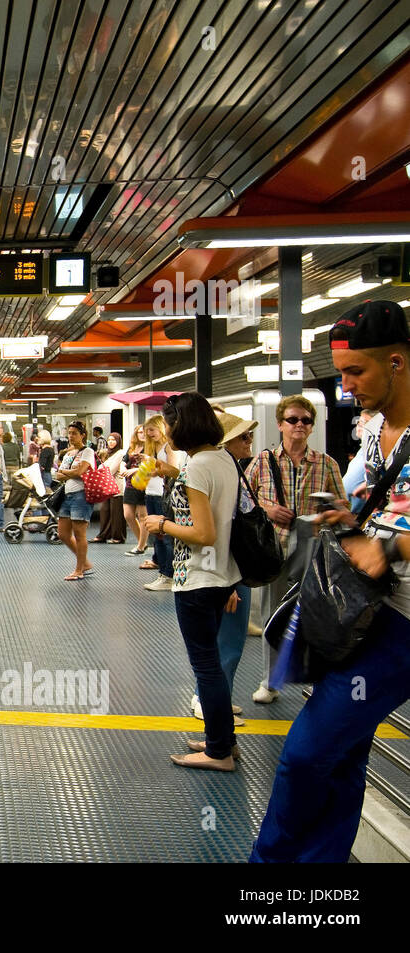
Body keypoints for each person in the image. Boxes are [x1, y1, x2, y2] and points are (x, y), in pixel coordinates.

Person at [252, 300, 410, 861]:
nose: (345, 386)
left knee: (306, 753)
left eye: (355, 372)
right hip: (366, 608)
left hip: (403, 623)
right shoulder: (376, 431)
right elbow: (381, 504)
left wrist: (388, 547)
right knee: (344, 753)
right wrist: (352, 520)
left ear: (396, 362)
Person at [144, 393, 243, 771]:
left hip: (196, 578)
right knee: (212, 662)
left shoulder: (196, 468)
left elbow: (203, 533)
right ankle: (225, 740)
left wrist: (162, 525)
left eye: (169, 425)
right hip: (222, 574)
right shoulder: (223, 459)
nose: (167, 432)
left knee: (206, 668)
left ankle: (218, 752)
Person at [244, 394, 348, 701]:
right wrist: (268, 509)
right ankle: (270, 681)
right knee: (272, 613)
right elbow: (244, 499)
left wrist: (327, 512)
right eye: (292, 419)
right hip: (273, 547)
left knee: (314, 613)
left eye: (305, 420)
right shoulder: (263, 461)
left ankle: (315, 679)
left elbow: (342, 506)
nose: (299, 425)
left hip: (313, 547)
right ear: (280, 424)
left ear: (312, 426)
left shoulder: (326, 464)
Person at [189, 411, 258, 727]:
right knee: (225, 642)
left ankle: (217, 696)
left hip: (230, 570)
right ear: (225, 443)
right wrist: (226, 582)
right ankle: (208, 702)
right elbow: (218, 532)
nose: (249, 441)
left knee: (228, 641)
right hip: (226, 571)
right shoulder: (220, 475)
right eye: (243, 436)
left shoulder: (230, 471)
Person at [140, 415, 183, 592]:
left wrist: (154, 469)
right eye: (147, 431)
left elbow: (172, 471)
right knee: (157, 535)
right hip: (151, 492)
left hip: (162, 494)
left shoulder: (169, 448)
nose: (150, 434)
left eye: (152, 430)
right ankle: (163, 572)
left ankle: (168, 574)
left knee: (165, 536)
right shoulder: (153, 448)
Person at [54, 421, 96, 580]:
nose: (71, 436)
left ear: (82, 435)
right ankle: (85, 563)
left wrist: (66, 472)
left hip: (81, 495)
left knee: (79, 533)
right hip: (67, 494)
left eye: (75, 433)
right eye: (69, 433)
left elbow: (80, 471)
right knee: (63, 533)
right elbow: (58, 476)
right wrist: (70, 472)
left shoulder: (88, 452)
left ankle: (79, 570)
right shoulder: (68, 454)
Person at [92, 432, 127, 544]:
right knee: (105, 511)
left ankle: (118, 536)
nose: (111, 442)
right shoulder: (109, 453)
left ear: (118, 441)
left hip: (116, 487)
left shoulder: (120, 453)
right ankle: (103, 535)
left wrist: (101, 469)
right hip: (107, 487)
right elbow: (102, 467)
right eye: (109, 440)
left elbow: (111, 470)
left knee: (116, 513)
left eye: (113, 440)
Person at [120, 425, 149, 555]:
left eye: (144, 432)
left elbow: (152, 464)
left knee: (142, 516)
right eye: (140, 432)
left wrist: (135, 470)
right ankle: (142, 542)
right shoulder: (132, 447)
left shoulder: (150, 447)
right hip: (130, 484)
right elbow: (124, 461)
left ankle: (141, 546)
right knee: (128, 515)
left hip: (143, 483)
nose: (142, 434)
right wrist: (123, 469)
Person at [342, 409, 373, 500]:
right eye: (359, 422)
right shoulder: (362, 451)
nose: (359, 426)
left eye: (364, 423)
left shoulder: (375, 452)